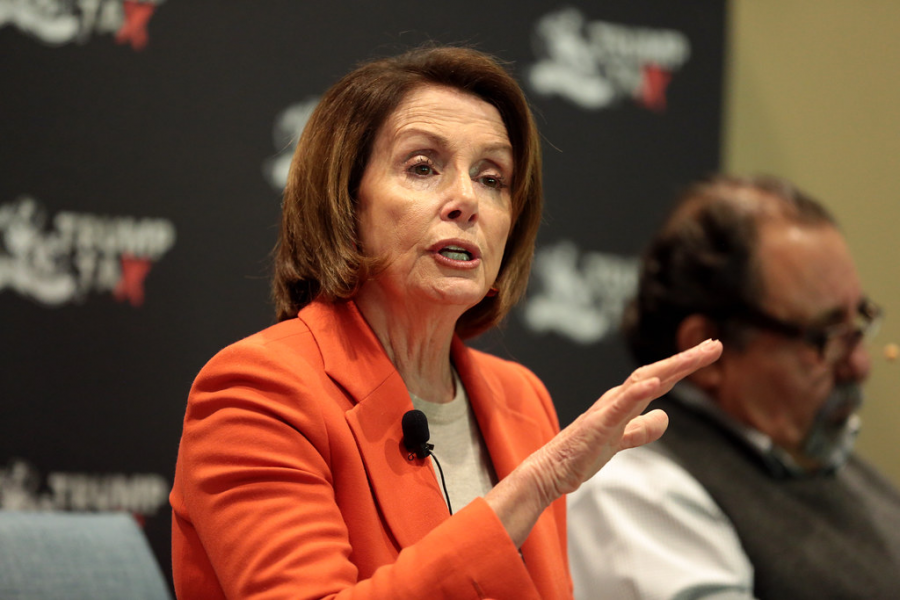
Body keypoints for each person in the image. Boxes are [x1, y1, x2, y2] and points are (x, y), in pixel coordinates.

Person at [168, 46, 721, 600]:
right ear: (345, 200)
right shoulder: (258, 391)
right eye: (423, 167)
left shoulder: (520, 398)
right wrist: (537, 485)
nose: (465, 200)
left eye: (491, 178)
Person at [568, 174, 900, 600]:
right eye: (825, 339)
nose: (859, 364)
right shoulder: (636, 496)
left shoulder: (832, 464)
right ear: (707, 351)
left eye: (859, 323)